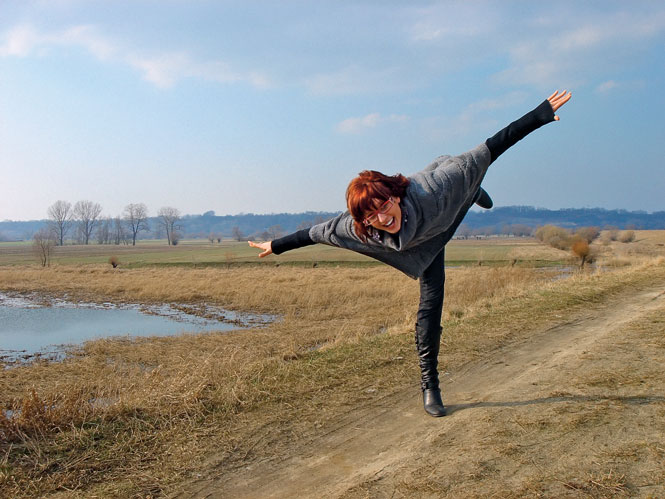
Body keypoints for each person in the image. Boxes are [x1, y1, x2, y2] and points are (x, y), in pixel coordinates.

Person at [249, 90, 572, 417]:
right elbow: (316, 233)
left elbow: (492, 147)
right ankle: (430, 385)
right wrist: (275, 246)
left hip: (442, 203)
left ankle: (472, 189)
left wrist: (539, 115)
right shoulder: (361, 227)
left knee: (465, 176)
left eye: (384, 206)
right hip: (425, 247)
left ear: (395, 196)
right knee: (430, 308)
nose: (382, 218)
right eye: (371, 216)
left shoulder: (439, 187)